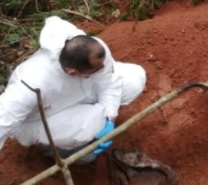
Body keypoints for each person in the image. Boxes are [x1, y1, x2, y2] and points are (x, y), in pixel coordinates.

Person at [0, 16, 146, 161]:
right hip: (41, 118)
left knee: (134, 79)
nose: (103, 68)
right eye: (95, 70)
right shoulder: (31, 83)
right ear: (73, 73)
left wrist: (110, 117)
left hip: (80, 94)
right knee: (91, 137)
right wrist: (102, 119)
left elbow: (109, 82)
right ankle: (55, 148)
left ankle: (92, 122)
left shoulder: (94, 49)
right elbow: (3, 121)